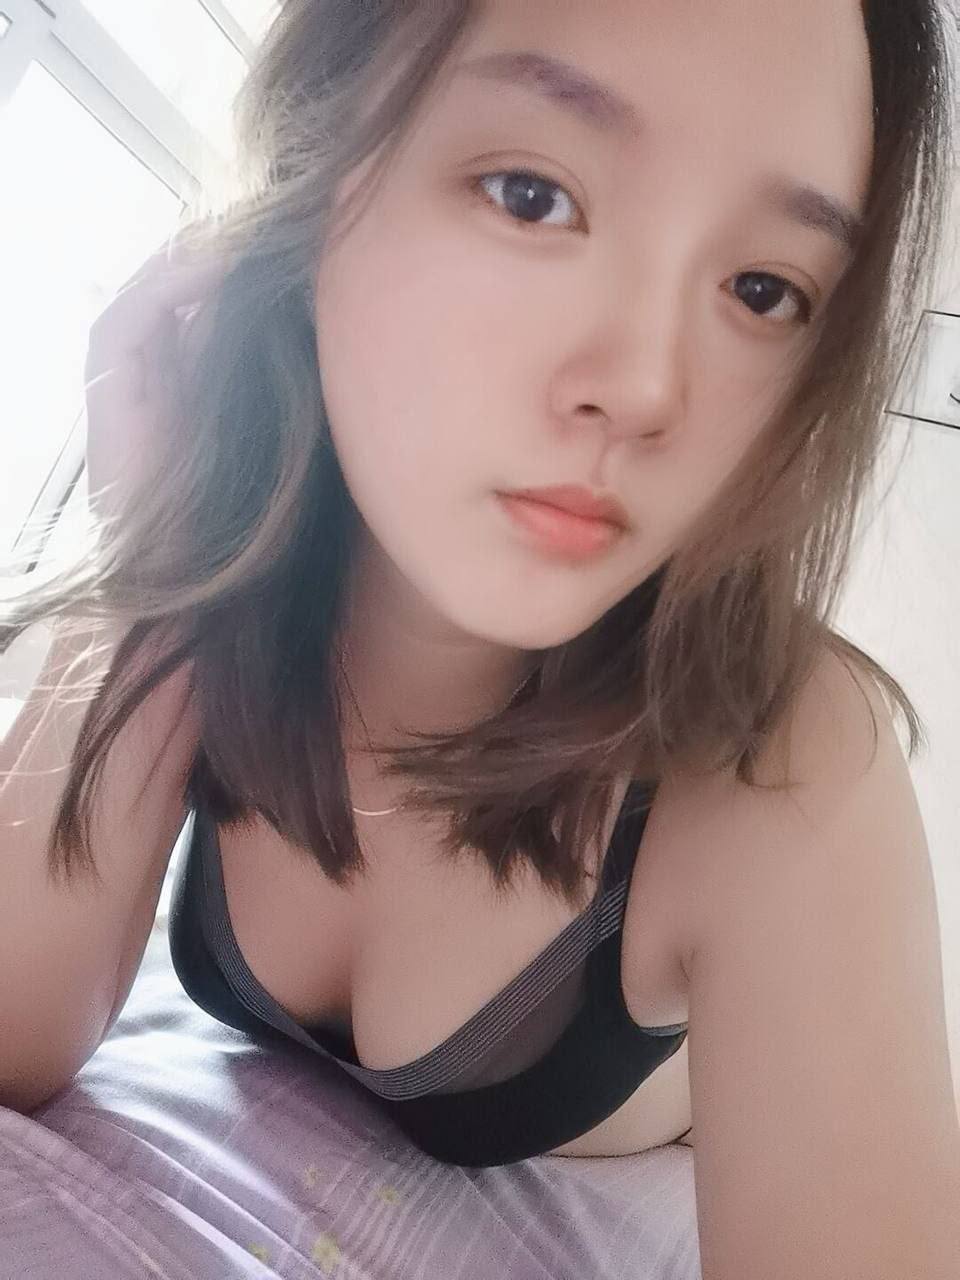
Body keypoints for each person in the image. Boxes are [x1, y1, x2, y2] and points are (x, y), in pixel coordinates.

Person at [3, 1, 959, 1272]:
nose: (647, 384)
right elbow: (14, 1029)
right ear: (314, 178)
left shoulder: (777, 764)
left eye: (762, 290)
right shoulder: (227, 592)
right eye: (531, 196)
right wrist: (155, 561)